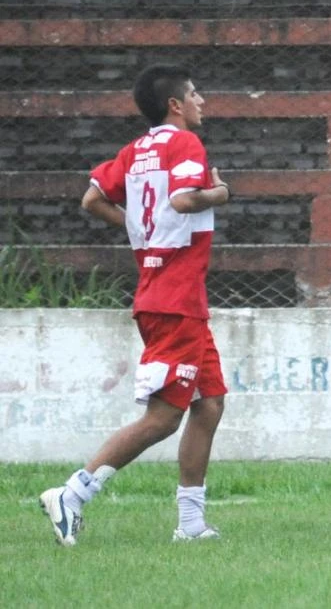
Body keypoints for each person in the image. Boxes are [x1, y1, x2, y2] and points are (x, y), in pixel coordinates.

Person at [39, 64, 231, 546]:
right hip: (175, 299)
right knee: (164, 417)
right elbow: (187, 201)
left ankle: (190, 524)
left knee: (208, 405)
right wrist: (221, 192)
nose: (201, 101)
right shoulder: (184, 144)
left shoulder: (135, 150)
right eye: (194, 93)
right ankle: (73, 493)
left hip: (168, 293)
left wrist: (136, 229)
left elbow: (90, 199)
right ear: (175, 105)